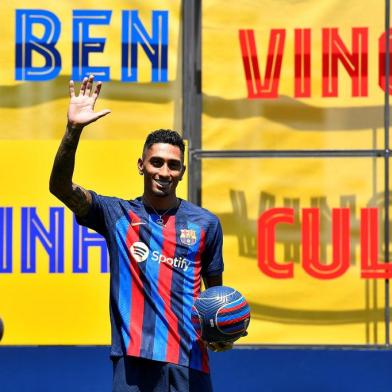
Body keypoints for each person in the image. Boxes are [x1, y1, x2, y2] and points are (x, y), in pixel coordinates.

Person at [49, 75, 230, 392]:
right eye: (156, 162)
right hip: (134, 365)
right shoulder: (116, 215)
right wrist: (73, 131)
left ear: (182, 172)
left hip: (190, 363)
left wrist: (222, 331)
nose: (164, 172)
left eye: (173, 165)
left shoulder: (206, 224)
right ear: (141, 165)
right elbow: (61, 188)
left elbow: (215, 300)